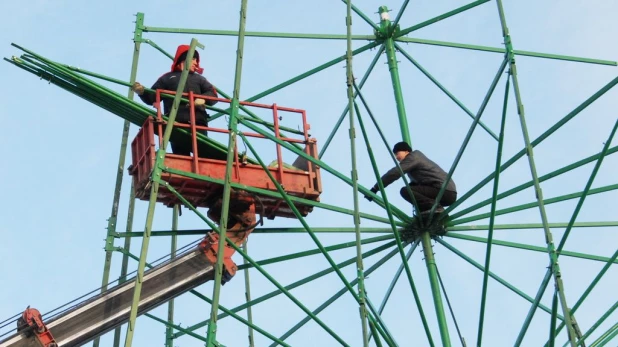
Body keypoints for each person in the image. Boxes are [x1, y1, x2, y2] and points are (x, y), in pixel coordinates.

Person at [132, 45, 219, 156]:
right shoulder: (167, 78)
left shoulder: (199, 79)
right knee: (181, 156)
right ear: (184, 58)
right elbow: (152, 96)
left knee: (203, 155)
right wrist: (142, 92)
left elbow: (213, 94)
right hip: (175, 124)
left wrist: (202, 99)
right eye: (193, 59)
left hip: (198, 122)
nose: (196, 63)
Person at [365, 141, 457, 214]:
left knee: (406, 191)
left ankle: (435, 208)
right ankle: (430, 212)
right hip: (445, 192)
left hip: (444, 191)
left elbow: (394, 173)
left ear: (406, 151)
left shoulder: (413, 157)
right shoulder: (415, 163)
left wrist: (375, 188)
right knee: (411, 190)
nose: (396, 157)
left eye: (397, 153)